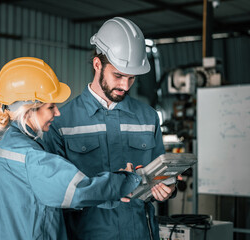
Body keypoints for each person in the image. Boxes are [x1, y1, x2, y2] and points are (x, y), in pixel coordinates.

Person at [0, 57, 142, 240]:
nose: (57, 113)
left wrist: (12, 223)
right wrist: (127, 180)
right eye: (51, 107)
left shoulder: (5, 147)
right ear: (29, 111)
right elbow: (78, 189)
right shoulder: (31, 157)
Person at [44, 17, 176, 240]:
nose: (125, 85)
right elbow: (55, 192)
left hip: (141, 233)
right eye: (118, 75)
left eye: (131, 78)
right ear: (97, 64)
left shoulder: (148, 117)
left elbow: (160, 174)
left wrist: (165, 189)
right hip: (87, 234)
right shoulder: (61, 121)